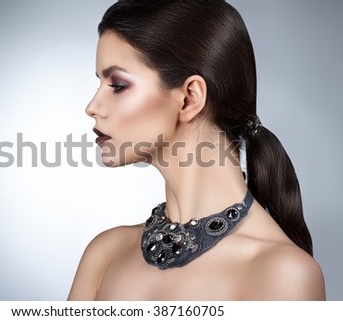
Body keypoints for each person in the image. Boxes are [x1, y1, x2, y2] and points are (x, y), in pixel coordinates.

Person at [68, 0, 325, 300]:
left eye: (118, 85)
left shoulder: (282, 275)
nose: (92, 107)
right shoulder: (104, 255)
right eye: (99, 83)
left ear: (190, 98)